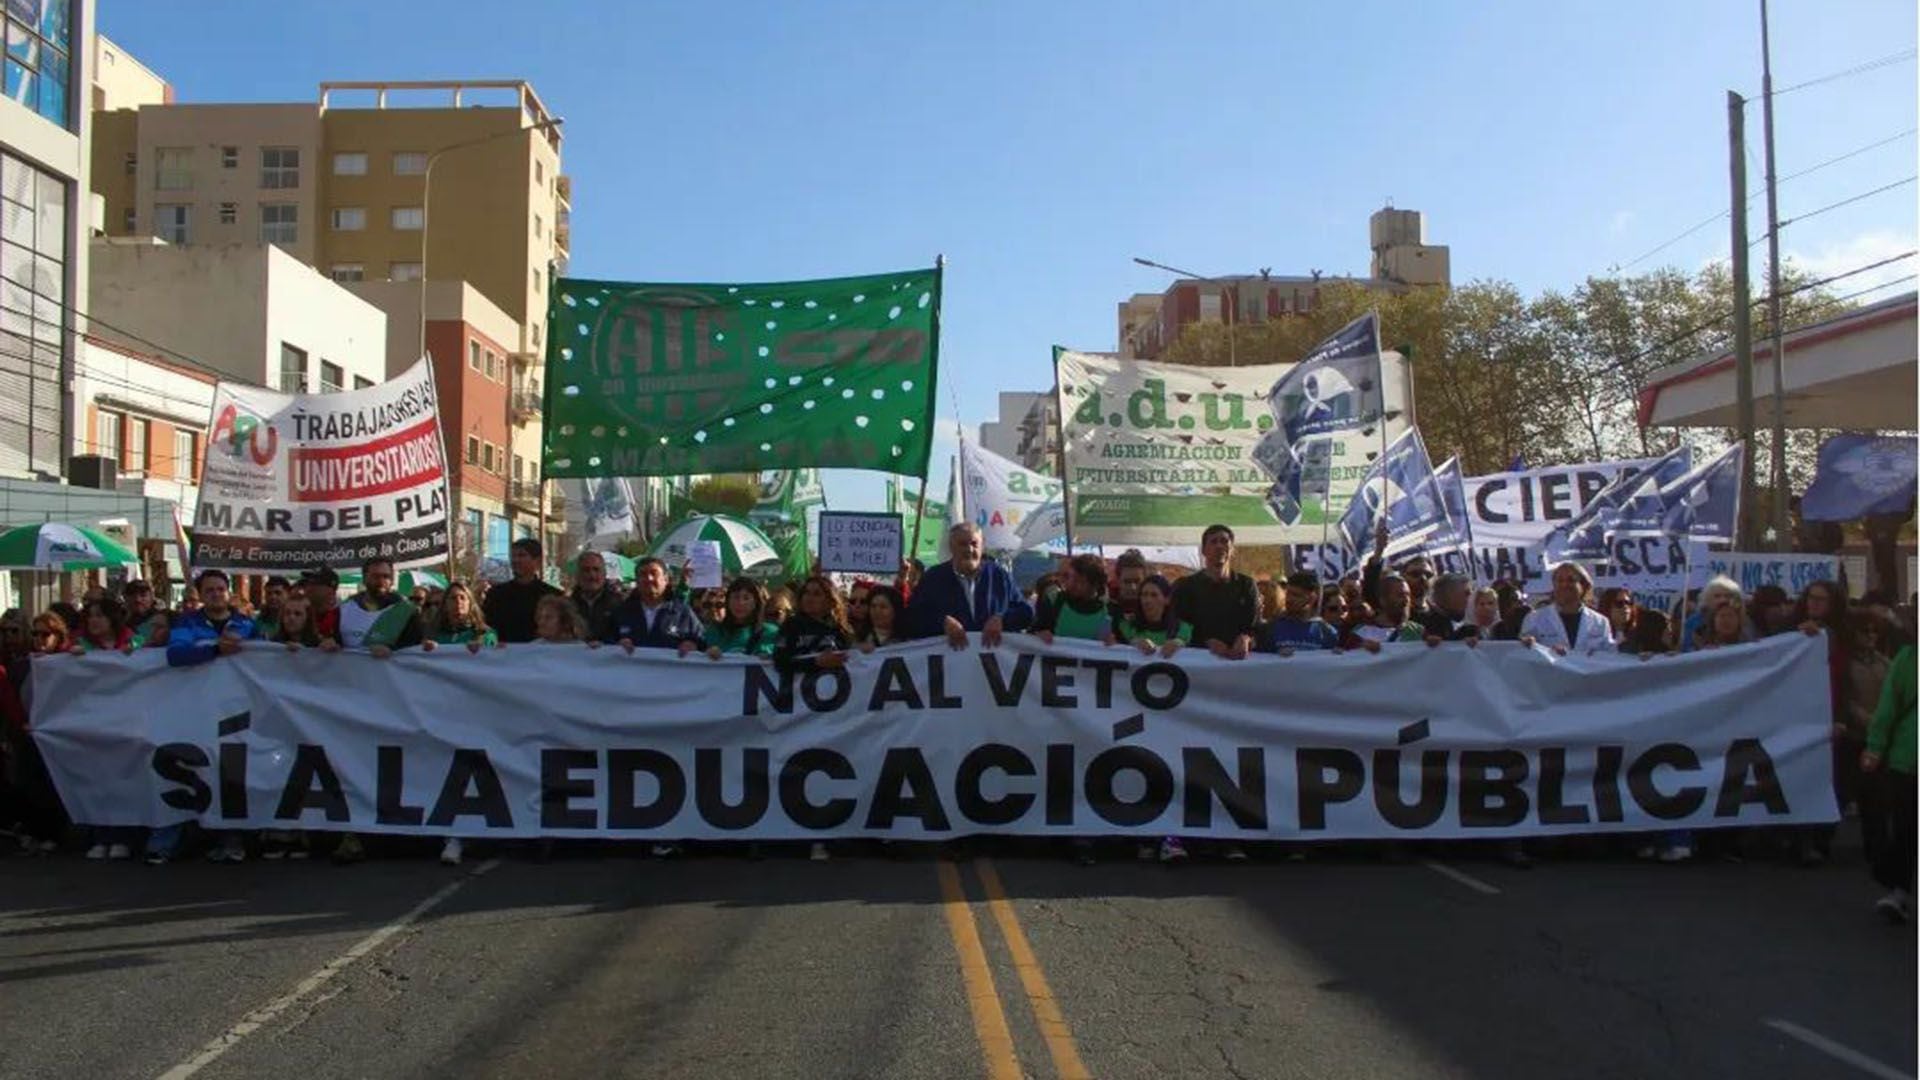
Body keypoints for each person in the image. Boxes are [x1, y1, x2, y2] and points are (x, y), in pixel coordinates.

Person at [160, 570, 258, 864]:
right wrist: (215, 649)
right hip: (197, 709)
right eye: (210, 590)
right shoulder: (187, 623)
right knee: (201, 767)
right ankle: (198, 834)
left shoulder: (247, 624)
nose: (216, 594)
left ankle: (233, 836)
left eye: (220, 589)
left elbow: (266, 658)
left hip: (237, 710)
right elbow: (175, 654)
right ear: (201, 595)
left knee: (232, 768)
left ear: (229, 593)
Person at [774, 575, 852, 862]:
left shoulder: (840, 629)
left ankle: (826, 832)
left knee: (828, 770)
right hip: (797, 713)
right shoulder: (792, 626)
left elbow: (853, 660)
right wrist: (816, 662)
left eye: (817, 593)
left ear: (829, 598)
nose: (810, 598)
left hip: (832, 714)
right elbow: (781, 661)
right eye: (806, 593)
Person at [905, 523, 1033, 648]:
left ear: (982, 546)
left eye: (974, 544)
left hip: (992, 663)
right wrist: (941, 622)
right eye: (962, 544)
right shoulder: (933, 578)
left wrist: (1002, 619)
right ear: (951, 546)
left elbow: (1026, 613)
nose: (969, 549)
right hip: (950, 662)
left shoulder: (999, 576)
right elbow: (911, 617)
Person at [1861, 643, 1915, 922]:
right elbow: (1889, 705)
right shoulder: (1908, 658)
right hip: (1908, 759)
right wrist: (1875, 746)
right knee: (1907, 829)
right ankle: (1898, 892)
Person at [1171, 524, 1260, 659]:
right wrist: (1205, 642)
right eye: (1213, 542)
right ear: (1204, 550)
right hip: (1199, 660)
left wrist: (1246, 638)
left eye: (1224, 541)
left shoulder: (1246, 585)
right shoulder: (1185, 586)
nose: (1219, 546)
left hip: (1238, 661)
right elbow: (1177, 627)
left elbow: (1255, 626)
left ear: (1232, 549)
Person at [607, 557, 705, 653]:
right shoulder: (622, 612)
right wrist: (616, 643)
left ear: (666, 579)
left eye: (654, 573)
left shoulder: (682, 612)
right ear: (637, 580)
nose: (649, 578)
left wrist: (693, 644)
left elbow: (703, 641)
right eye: (643, 574)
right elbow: (605, 642)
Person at [1520, 564, 1615, 656]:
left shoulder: (1600, 622)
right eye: (1560, 580)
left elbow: (1609, 657)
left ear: (1584, 586)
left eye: (1571, 580)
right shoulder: (1534, 619)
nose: (1564, 585)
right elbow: (1525, 655)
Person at [336, 558, 423, 656]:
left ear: (392, 580)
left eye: (386, 576)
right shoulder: (345, 608)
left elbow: (414, 649)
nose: (381, 581)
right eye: (375, 576)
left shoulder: (406, 611)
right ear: (364, 578)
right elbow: (335, 641)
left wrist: (391, 650)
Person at [483, 538, 561, 643]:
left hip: (541, 655)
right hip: (505, 655)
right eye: (513, 556)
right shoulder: (496, 594)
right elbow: (486, 627)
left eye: (521, 555)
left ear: (537, 560)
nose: (515, 560)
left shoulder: (553, 596)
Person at [1032, 554, 1114, 644]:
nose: (1071, 584)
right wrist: (1039, 633)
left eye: (1080, 581)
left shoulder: (1108, 611)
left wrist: (1112, 641)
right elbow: (1033, 630)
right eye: (1070, 577)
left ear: (1096, 585)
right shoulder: (1055, 601)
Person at [1257, 570, 1341, 654]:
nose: (1289, 599)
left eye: (1296, 595)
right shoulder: (1269, 629)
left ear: (1312, 598)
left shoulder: (1327, 633)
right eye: (1288, 594)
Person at [1113, 575, 1191, 658]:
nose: (1147, 600)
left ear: (1167, 599)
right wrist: (1134, 643)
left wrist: (1178, 643)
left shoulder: (1182, 628)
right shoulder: (1126, 626)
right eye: (1144, 594)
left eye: (1154, 595)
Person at [703, 577, 777, 659]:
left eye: (746, 598)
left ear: (756, 603)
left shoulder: (770, 632)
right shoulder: (715, 631)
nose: (740, 603)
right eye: (736, 597)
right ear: (728, 601)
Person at [1346, 573, 1423, 650]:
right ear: (1383, 600)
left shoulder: (1418, 632)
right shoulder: (1361, 633)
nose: (1406, 600)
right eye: (1400, 595)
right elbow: (1347, 658)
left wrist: (1433, 644)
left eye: (1408, 595)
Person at [422, 582, 497, 653]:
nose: (458, 601)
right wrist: (426, 650)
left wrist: (481, 649)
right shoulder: (433, 634)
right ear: (445, 604)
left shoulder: (484, 634)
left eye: (462, 598)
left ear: (470, 604)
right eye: (453, 598)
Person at [568, 551, 623, 642]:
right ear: (577, 575)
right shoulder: (567, 606)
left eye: (596, 569)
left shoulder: (619, 604)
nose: (592, 575)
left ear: (604, 574)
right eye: (586, 570)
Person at [1418, 572, 1481, 645]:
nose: (1471, 598)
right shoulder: (1423, 624)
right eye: (1467, 593)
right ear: (1447, 595)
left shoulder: (1471, 628)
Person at [69, 597, 136, 655]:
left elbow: (141, 643)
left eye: (99, 615)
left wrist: (132, 647)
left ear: (113, 618)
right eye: (90, 616)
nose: (92, 620)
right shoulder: (82, 641)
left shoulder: (128, 635)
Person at [121, 579, 170, 647]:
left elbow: (131, 646)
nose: (138, 599)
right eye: (132, 595)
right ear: (125, 598)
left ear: (152, 597)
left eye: (143, 595)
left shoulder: (158, 619)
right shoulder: (120, 618)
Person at [858, 584, 906, 652]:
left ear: (896, 610)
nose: (877, 611)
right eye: (873, 606)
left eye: (883, 607)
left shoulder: (907, 640)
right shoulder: (858, 638)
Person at [301, 566, 343, 641]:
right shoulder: (300, 612)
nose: (308, 586)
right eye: (307, 582)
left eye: (315, 582)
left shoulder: (343, 616)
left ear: (330, 589)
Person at [1109, 549, 1149, 624]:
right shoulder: (1105, 607)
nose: (1133, 587)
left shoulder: (1156, 607)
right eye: (1127, 582)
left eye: (1137, 582)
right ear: (1117, 580)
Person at [254, 576, 291, 640]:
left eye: (278, 593)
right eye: (269, 593)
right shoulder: (257, 621)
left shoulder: (295, 619)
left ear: (288, 594)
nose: (273, 597)